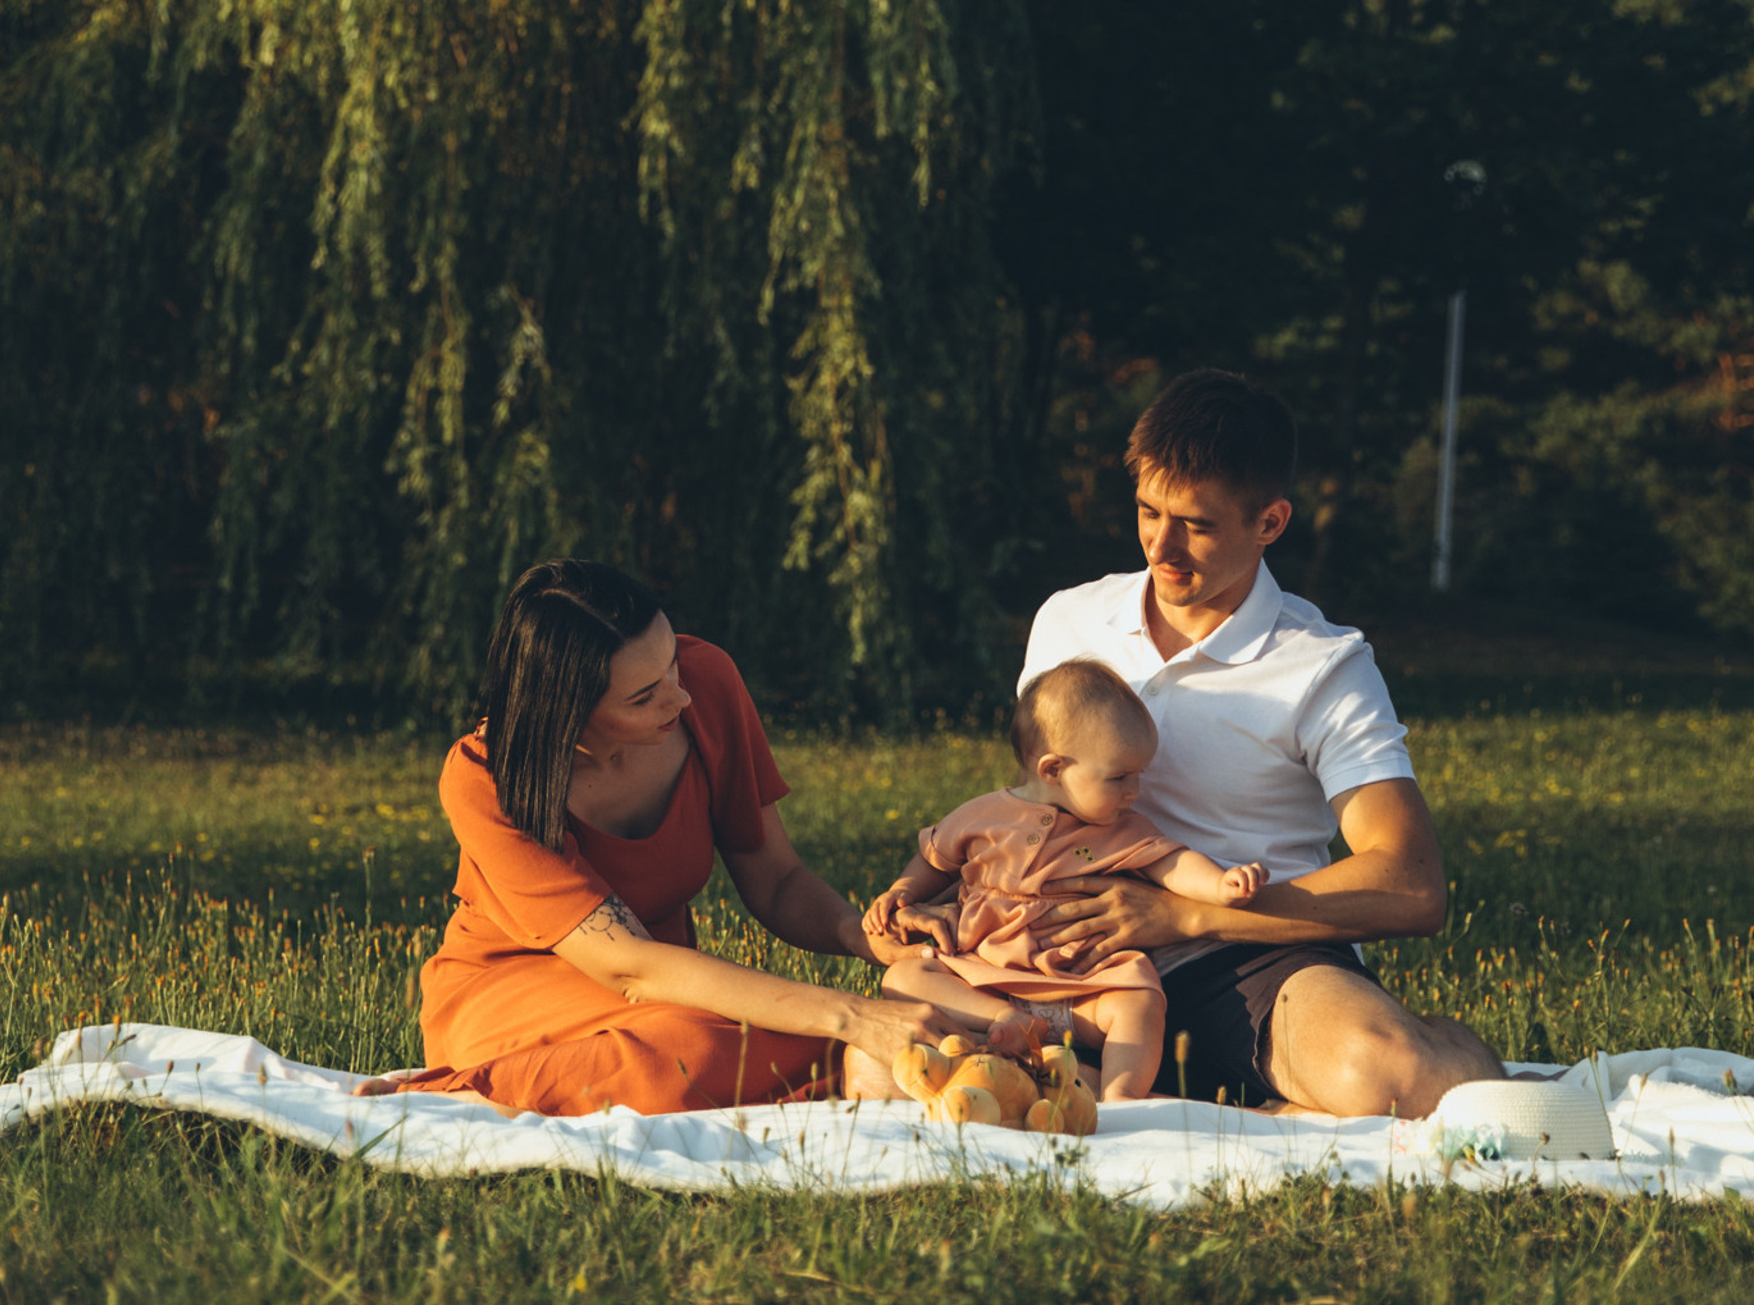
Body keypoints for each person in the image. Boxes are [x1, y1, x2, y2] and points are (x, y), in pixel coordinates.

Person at [1016, 369, 1506, 1118]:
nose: (1162, 545)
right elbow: (1031, 801)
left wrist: (1185, 915)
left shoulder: (1324, 664)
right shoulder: (1068, 621)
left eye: (1197, 525)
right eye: (1148, 511)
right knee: (898, 1053)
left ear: (1270, 523)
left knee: (1393, 1074)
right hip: (1074, 958)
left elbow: (1411, 882)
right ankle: (1237, 1102)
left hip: (1253, 960)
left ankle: (1416, 1049)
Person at [354, 560, 979, 1115]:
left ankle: (857, 1064)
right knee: (694, 1049)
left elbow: (777, 879)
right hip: (517, 992)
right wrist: (853, 1016)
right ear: (568, 714)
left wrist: (863, 937)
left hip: (670, 993)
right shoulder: (486, 776)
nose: (680, 696)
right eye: (644, 695)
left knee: (702, 1040)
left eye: (671, 663)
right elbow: (629, 966)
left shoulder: (707, 682)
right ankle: (470, 1089)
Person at [861, 658, 1270, 1101]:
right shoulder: (982, 815)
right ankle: (1005, 1022)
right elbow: (934, 859)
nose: (1134, 791)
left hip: (1082, 987)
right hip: (984, 975)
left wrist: (1220, 884)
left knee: (1141, 1001)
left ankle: (1120, 1097)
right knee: (904, 977)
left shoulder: (1122, 830)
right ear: (1053, 770)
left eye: (1138, 776)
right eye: (1119, 777)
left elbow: (1173, 864)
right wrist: (901, 892)